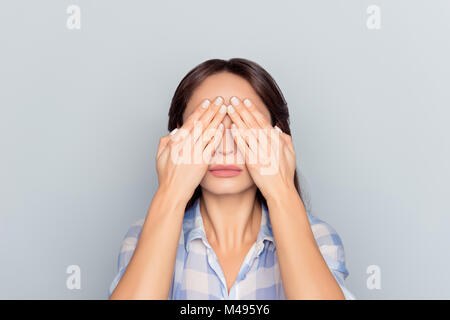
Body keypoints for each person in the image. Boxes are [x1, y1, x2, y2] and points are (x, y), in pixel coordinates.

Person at [108, 58, 355, 300]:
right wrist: (170, 193)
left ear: (276, 138)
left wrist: (282, 192)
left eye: (244, 128)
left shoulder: (319, 237)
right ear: (177, 138)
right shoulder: (145, 235)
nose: (225, 149)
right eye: (207, 129)